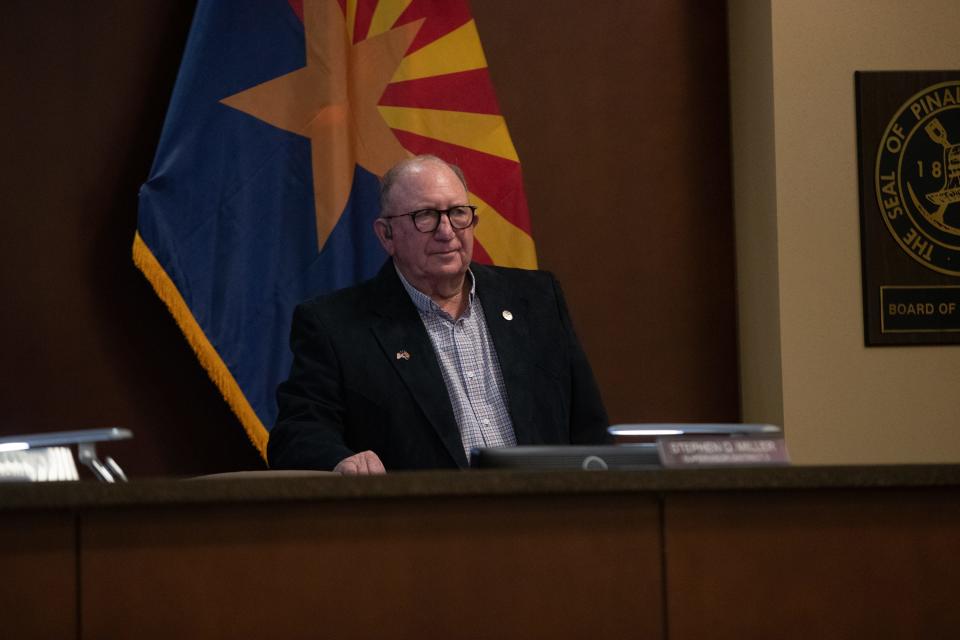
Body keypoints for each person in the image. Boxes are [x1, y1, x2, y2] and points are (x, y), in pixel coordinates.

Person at [267, 155, 608, 474]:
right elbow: (297, 433)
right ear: (386, 234)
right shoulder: (336, 325)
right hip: (427, 526)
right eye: (425, 216)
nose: (447, 231)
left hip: (549, 519)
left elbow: (589, 427)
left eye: (458, 212)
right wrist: (341, 459)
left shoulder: (536, 300)